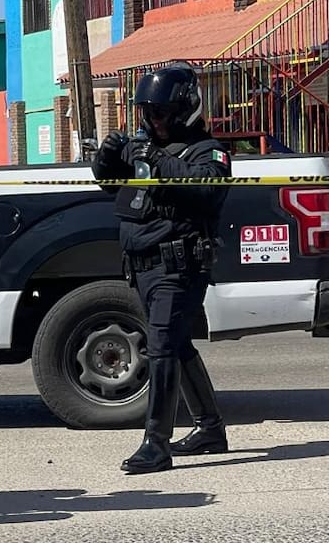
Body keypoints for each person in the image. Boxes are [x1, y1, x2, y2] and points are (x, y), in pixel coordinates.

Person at [92, 61, 232, 475]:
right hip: (142, 265)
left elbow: (206, 189)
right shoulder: (147, 148)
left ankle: (156, 442)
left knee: (162, 348)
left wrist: (154, 157)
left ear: (182, 109)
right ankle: (210, 428)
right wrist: (108, 157)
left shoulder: (208, 151)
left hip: (179, 264)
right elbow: (110, 183)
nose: (152, 121)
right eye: (147, 113)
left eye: (159, 113)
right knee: (177, 345)